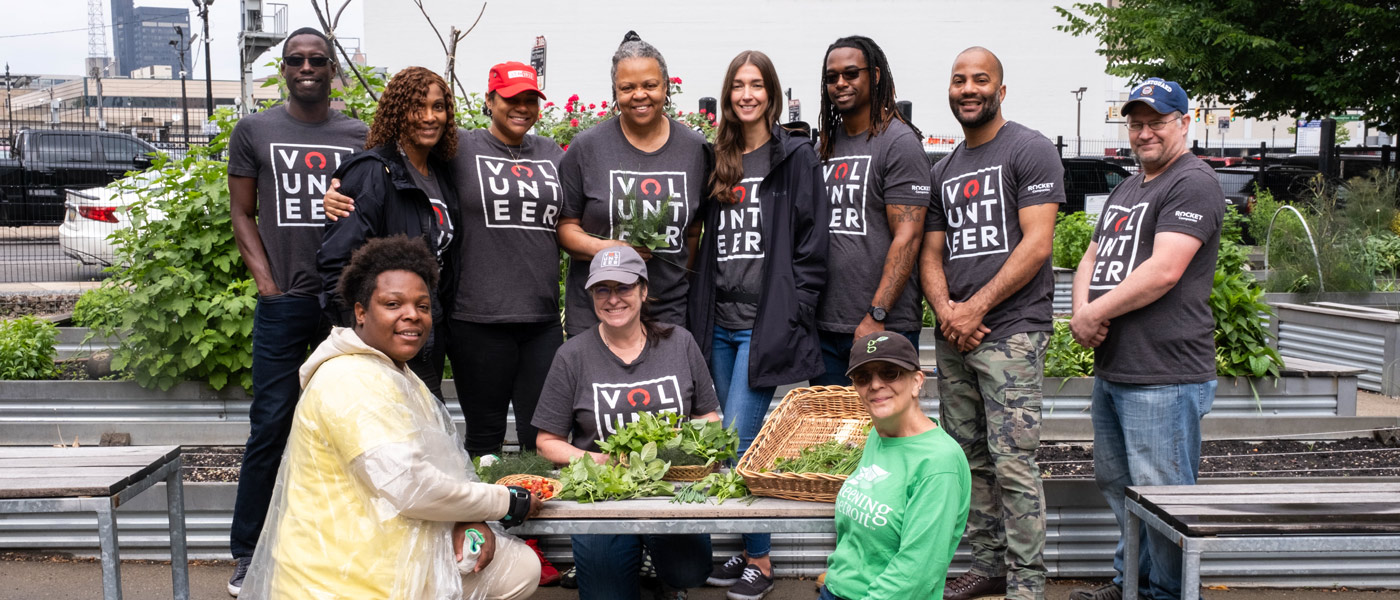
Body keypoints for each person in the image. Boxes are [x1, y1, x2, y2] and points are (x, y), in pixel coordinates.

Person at [239, 235, 541, 600]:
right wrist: (506, 501)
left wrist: (469, 517)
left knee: (513, 565)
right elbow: (411, 486)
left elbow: (443, 468)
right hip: (341, 579)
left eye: (423, 306)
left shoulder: (395, 372)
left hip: (380, 553)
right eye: (393, 304)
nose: (412, 314)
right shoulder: (351, 379)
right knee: (518, 568)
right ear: (361, 312)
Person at [225, 26, 368, 596]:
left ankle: (345, 549)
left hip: (343, 304)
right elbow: (242, 212)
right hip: (284, 304)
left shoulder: (359, 134)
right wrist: (268, 285)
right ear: (282, 69)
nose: (306, 67)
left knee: (348, 429)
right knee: (271, 426)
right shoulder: (254, 130)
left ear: (332, 69)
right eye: (295, 60)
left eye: (317, 60)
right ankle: (247, 553)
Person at [1068, 78, 1223, 600]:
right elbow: (1091, 256)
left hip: (1165, 371)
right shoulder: (1128, 186)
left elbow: (1164, 271)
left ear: (1184, 122)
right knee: (1122, 488)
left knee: (1163, 497)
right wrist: (1081, 313)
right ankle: (1129, 583)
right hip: (1118, 366)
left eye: (1156, 121)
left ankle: (1169, 594)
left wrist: (1094, 314)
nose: (1143, 132)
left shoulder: (1192, 181)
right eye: (1135, 123)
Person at [921, 47, 1063, 600]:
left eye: (981, 79)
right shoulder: (945, 169)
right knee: (968, 458)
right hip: (956, 335)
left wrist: (974, 309)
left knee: (1013, 462)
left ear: (1000, 90)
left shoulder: (1029, 149)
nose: (969, 88)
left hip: (1012, 332)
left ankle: (1028, 581)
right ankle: (989, 564)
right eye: (959, 80)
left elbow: (1038, 243)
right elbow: (932, 253)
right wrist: (948, 313)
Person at [686, 50, 827, 600]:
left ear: (771, 93)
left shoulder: (794, 157)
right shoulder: (714, 157)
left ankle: (761, 562)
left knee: (742, 439)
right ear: (728, 96)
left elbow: (813, 244)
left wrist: (797, 308)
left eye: (756, 85)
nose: (747, 94)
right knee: (720, 439)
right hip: (717, 318)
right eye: (737, 86)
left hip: (763, 321)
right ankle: (744, 551)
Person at [533, 246, 721, 600]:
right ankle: (628, 558)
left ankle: (658, 565)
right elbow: (547, 441)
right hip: (604, 496)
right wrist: (599, 461)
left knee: (690, 571)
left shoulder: (679, 343)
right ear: (590, 295)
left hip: (671, 490)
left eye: (623, 287)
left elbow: (708, 416)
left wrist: (688, 447)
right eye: (602, 289)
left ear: (643, 291)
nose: (613, 299)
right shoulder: (572, 355)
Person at [318, 66, 461, 400]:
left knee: (422, 435)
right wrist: (361, 339)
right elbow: (336, 263)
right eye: (417, 106)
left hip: (425, 334)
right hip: (381, 340)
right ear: (397, 112)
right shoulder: (372, 172)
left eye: (438, 107)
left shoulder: (442, 174)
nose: (429, 117)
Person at [557, 31, 709, 337]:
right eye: (627, 88)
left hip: (668, 312)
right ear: (615, 92)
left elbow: (693, 231)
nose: (639, 95)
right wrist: (609, 249)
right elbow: (565, 228)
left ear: (666, 87)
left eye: (650, 85)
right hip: (598, 311)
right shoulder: (587, 148)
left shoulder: (695, 149)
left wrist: (677, 279)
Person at [811, 35, 930, 386]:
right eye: (832, 78)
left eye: (851, 74)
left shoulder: (899, 142)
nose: (840, 84)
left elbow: (908, 236)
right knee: (829, 439)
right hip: (825, 327)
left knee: (883, 434)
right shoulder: (826, 144)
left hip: (881, 326)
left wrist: (876, 314)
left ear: (875, 76)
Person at [819, 331, 972, 600]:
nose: (875, 384)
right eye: (863, 377)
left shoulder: (938, 463)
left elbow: (916, 573)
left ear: (917, 382)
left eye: (890, 373)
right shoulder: (877, 436)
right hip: (836, 591)